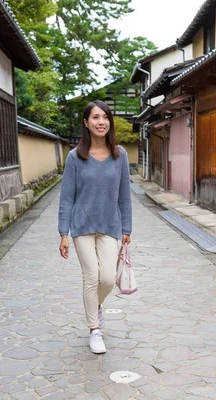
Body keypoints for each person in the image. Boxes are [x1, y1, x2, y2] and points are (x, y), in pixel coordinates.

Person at [58, 100, 132, 354]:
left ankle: (94, 305)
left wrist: (127, 228)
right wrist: (63, 233)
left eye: (105, 117)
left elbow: (125, 195)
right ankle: (95, 330)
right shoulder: (75, 156)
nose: (101, 122)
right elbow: (67, 196)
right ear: (86, 123)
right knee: (91, 277)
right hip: (82, 226)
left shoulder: (119, 155)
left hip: (111, 224)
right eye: (95, 117)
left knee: (108, 278)